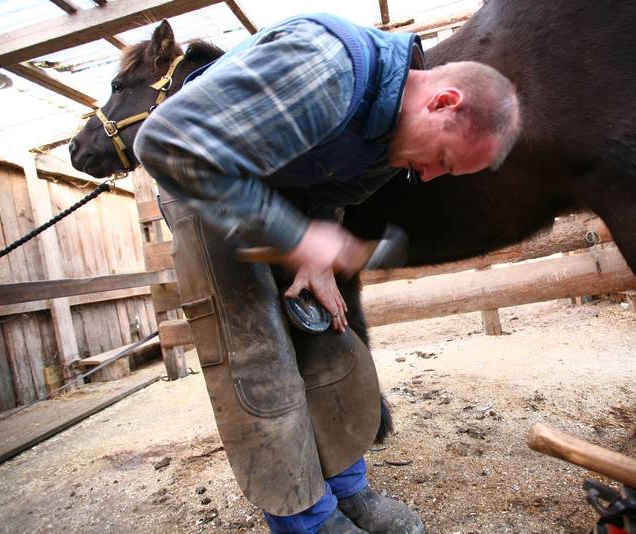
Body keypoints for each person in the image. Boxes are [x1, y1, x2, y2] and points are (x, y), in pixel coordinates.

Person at [134, 12, 520, 534]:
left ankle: (348, 490)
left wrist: (313, 250)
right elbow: (164, 144)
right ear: (443, 102)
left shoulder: (391, 140)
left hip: (280, 194)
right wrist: (297, 239)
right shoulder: (325, 67)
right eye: (444, 159)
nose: (428, 175)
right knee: (258, 356)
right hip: (202, 183)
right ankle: (308, 521)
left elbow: (332, 191)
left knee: (324, 332)